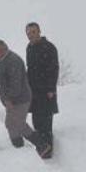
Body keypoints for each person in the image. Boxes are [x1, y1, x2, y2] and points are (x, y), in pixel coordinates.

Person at [0, 39, 52, 159]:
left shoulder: (13, 61)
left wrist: (9, 99)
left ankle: (42, 146)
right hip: (12, 100)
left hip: (19, 99)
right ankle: (19, 148)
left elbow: (16, 84)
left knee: (18, 124)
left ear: (2, 49)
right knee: (11, 123)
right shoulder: (3, 60)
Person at [25, 22, 59, 152]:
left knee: (45, 123)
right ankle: (41, 149)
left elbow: (54, 68)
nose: (31, 35)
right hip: (33, 92)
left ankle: (48, 151)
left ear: (39, 31)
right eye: (28, 33)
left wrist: (51, 89)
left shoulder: (49, 47)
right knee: (36, 122)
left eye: (33, 32)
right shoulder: (29, 47)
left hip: (46, 91)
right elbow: (30, 69)